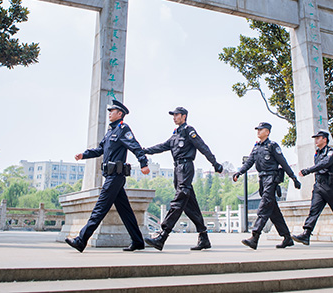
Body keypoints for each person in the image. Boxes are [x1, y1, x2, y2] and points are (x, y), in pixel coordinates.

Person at [65, 99, 150, 253]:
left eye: (112, 111)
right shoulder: (110, 132)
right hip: (110, 176)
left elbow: (135, 146)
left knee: (99, 209)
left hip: (115, 177)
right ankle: (138, 241)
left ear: (120, 114)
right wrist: (83, 155)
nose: (109, 113)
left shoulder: (123, 129)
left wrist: (143, 163)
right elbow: (99, 150)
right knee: (125, 211)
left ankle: (81, 240)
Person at [143, 106, 224, 251]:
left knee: (179, 200)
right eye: (173, 115)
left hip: (186, 167)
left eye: (177, 115)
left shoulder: (188, 130)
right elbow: (162, 146)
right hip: (177, 170)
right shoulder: (176, 134)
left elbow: (202, 146)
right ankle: (204, 237)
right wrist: (145, 150)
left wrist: (215, 163)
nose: (174, 117)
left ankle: (163, 235)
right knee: (189, 205)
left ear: (184, 116)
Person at [233, 122, 301, 250]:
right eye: (257, 129)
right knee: (273, 211)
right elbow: (249, 162)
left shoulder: (272, 146)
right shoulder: (256, 147)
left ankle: (255, 236)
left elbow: (283, 163)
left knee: (264, 207)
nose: (258, 132)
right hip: (262, 180)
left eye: (261, 129)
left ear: (267, 132)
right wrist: (239, 172)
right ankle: (287, 238)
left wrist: (293, 178)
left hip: (271, 179)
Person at [292, 130, 333, 247]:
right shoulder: (317, 153)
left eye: (318, 138)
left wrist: (308, 170)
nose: (316, 140)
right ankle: (306, 233)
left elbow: (324, 164)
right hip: (319, 186)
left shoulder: (331, 152)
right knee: (314, 210)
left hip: (330, 187)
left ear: (325, 139)